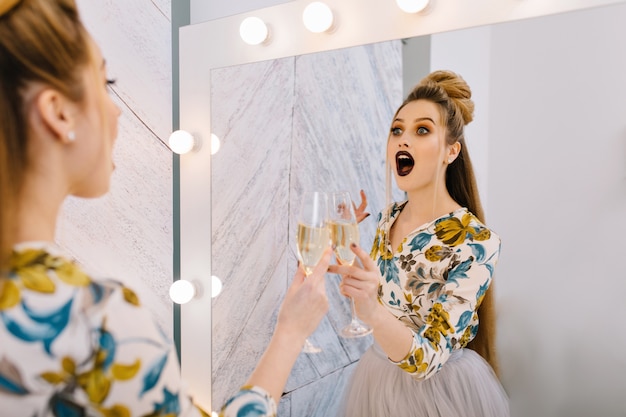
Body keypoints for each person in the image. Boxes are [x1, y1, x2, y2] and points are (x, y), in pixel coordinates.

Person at [0, 0, 331, 416]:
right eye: (106, 83)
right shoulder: (95, 321)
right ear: (58, 111)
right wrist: (290, 334)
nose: (117, 108)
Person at [329, 70, 510, 416]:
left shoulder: (476, 242)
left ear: (450, 151)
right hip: (377, 379)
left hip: (438, 396)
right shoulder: (387, 219)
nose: (402, 140)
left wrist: (371, 310)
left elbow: (426, 360)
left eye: (422, 130)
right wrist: (345, 249)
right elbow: (383, 298)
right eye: (397, 129)